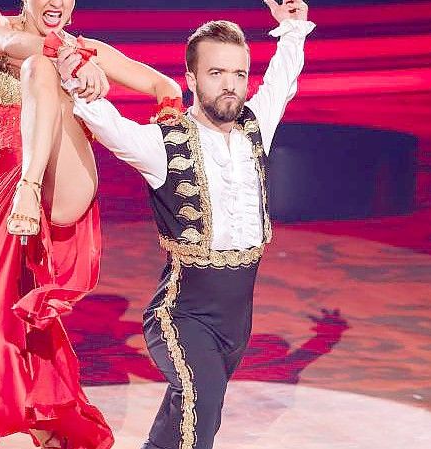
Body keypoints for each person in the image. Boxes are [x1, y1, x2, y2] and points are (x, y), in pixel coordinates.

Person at [0, 0, 181, 447]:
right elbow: (6, 42)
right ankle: (46, 423)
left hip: (58, 186)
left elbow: (164, 84)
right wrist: (71, 56)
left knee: (42, 65)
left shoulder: (88, 48)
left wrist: (168, 143)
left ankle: (30, 186)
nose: (56, 2)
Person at [60, 1, 314, 447]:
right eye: (217, 74)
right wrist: (78, 79)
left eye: (238, 74)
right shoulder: (165, 143)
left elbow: (281, 81)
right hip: (180, 316)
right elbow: (110, 125)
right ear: (192, 80)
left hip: (238, 323)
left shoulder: (257, 128)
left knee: (189, 418)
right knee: (200, 405)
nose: (231, 86)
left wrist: (292, 28)